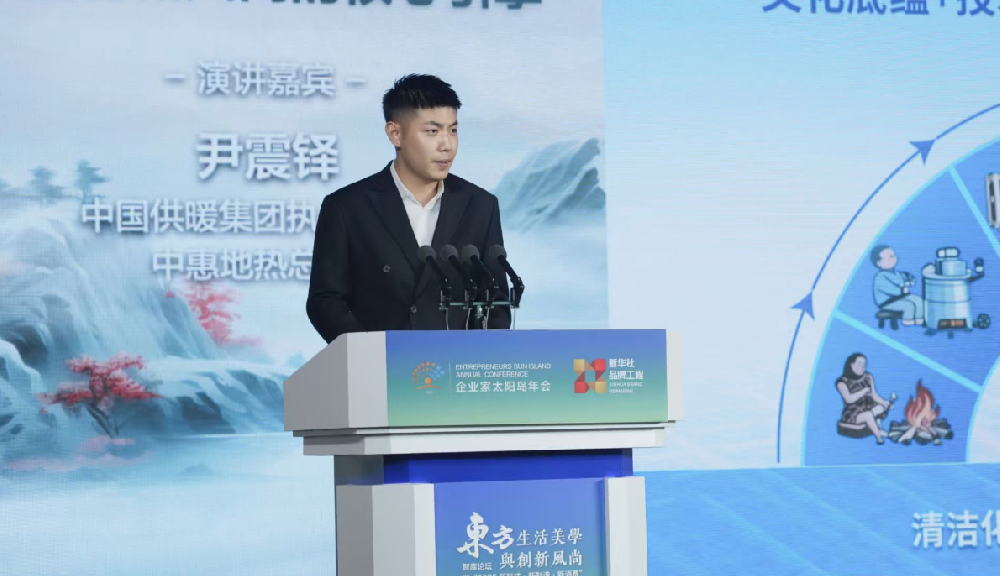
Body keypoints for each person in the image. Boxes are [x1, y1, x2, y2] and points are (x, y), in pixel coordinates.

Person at [307, 74, 511, 344]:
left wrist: (478, 358)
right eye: (432, 131)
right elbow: (325, 300)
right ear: (395, 134)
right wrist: (367, 353)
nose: (447, 145)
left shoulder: (480, 205)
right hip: (376, 364)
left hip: (454, 364)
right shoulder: (347, 207)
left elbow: (496, 300)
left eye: (453, 130)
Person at [836, 353, 892, 444]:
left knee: (881, 407)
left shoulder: (868, 377)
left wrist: (884, 402)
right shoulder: (842, 382)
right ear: (852, 365)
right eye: (859, 364)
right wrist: (862, 392)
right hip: (852, 413)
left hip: (867, 406)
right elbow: (849, 399)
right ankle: (878, 436)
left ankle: (875, 426)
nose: (862, 366)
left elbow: (874, 395)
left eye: (864, 364)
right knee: (868, 415)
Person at [871, 245, 924, 326]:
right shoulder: (880, 277)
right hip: (887, 301)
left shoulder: (897, 274)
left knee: (918, 300)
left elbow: (908, 279)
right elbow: (889, 289)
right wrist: (902, 290)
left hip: (900, 297)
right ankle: (907, 320)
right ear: (879, 263)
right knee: (908, 305)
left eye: (894, 256)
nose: (894, 258)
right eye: (890, 257)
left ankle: (919, 318)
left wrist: (910, 282)